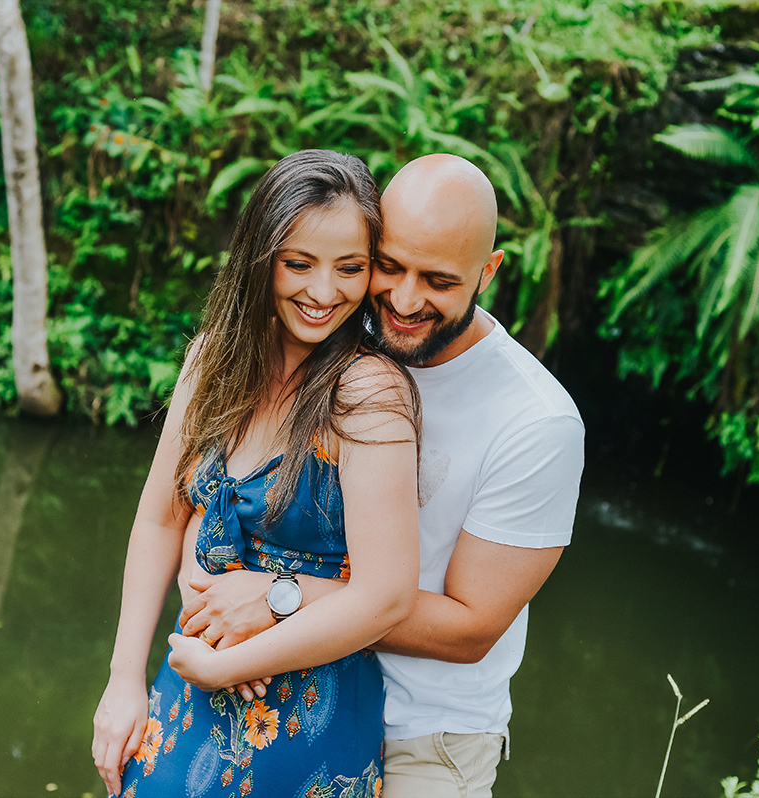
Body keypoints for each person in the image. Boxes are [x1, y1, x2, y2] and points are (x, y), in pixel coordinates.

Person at [179, 154, 585, 797]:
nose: (403, 299)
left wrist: (280, 596)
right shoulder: (333, 329)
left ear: (489, 270)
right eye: (389, 266)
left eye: (439, 280)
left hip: (427, 737)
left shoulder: (535, 423)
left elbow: (472, 628)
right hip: (281, 689)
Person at [91, 149, 421, 798]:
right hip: (186, 684)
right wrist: (124, 678)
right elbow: (161, 519)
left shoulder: (368, 393)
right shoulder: (213, 361)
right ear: (260, 258)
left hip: (307, 718)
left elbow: (386, 596)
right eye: (299, 264)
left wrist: (232, 664)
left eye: (349, 269)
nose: (324, 292)